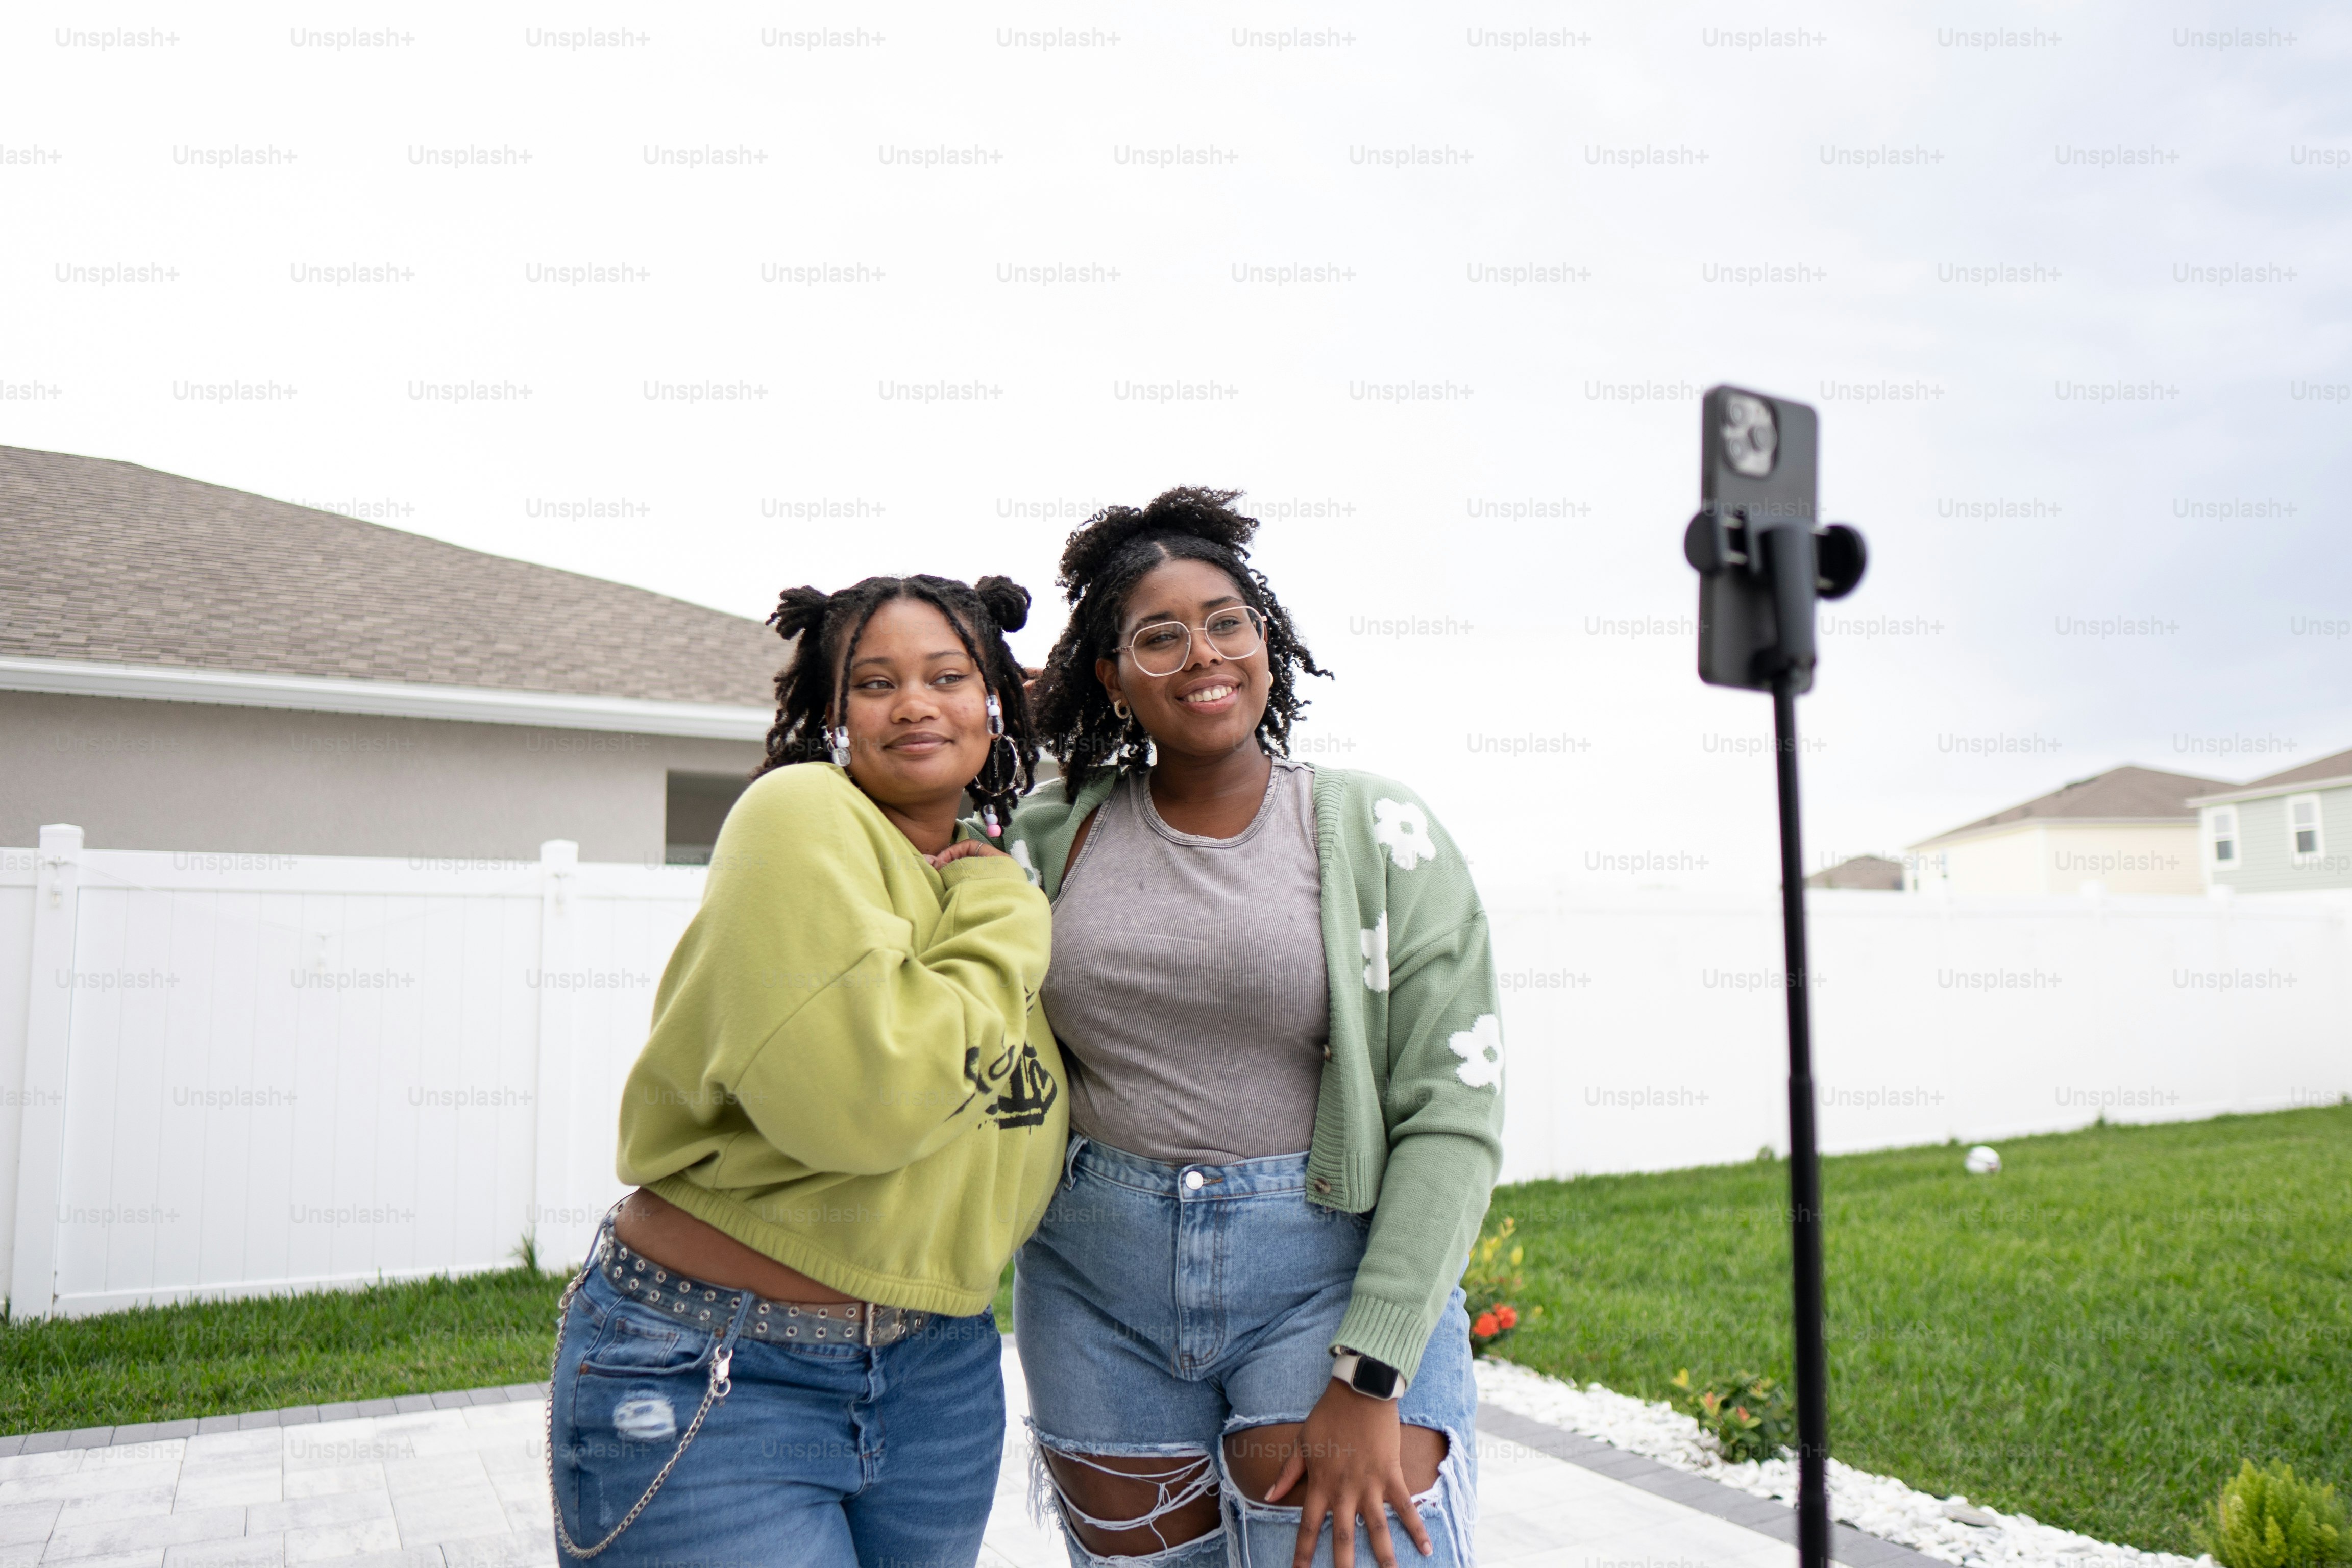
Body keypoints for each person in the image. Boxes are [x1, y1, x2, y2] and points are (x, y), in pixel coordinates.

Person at [1004, 491, 1505, 1568]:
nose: (1204, 654)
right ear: (1110, 674)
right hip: (1093, 1287)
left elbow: (1453, 1115)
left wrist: (1371, 1371)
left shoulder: (1378, 831)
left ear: (1267, 643)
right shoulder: (1051, 837)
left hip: (1323, 1280)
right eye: (1159, 635)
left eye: (1228, 621)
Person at [547, 573, 1065, 1568]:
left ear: (994, 703)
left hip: (941, 1371)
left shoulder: (968, 873)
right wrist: (1007, 912)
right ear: (832, 721)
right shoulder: (801, 815)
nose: (915, 702)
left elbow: (1004, 1098)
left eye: (947, 675)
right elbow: (870, 1106)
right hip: (721, 1363)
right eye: (875, 683)